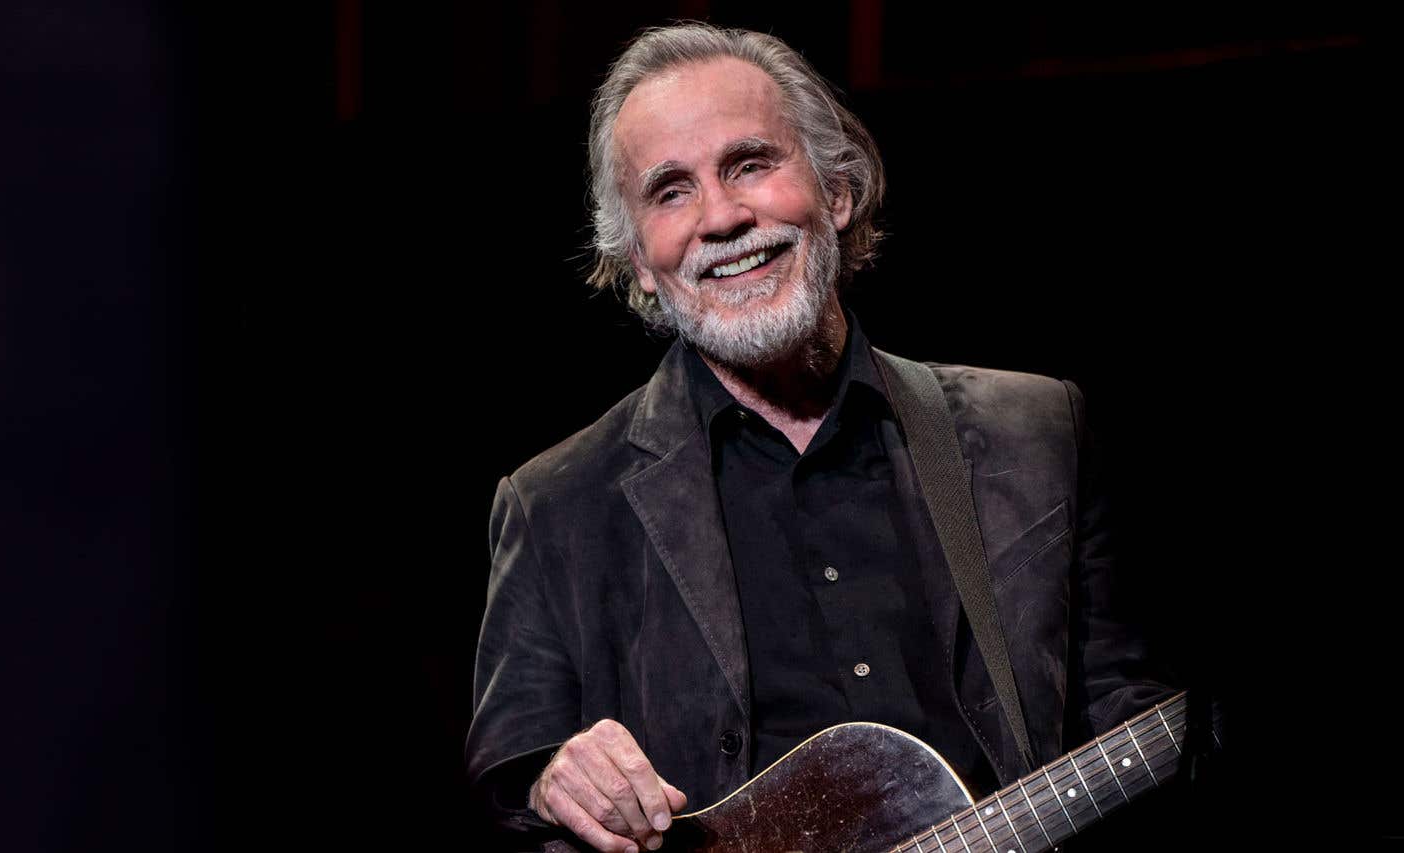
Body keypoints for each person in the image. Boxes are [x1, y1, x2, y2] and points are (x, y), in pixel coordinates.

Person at [463, 22, 1178, 853]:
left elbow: (1125, 713)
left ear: (837, 191)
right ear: (640, 266)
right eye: (671, 191)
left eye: (750, 164)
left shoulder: (1036, 431)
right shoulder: (555, 505)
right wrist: (558, 778)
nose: (722, 217)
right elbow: (513, 787)